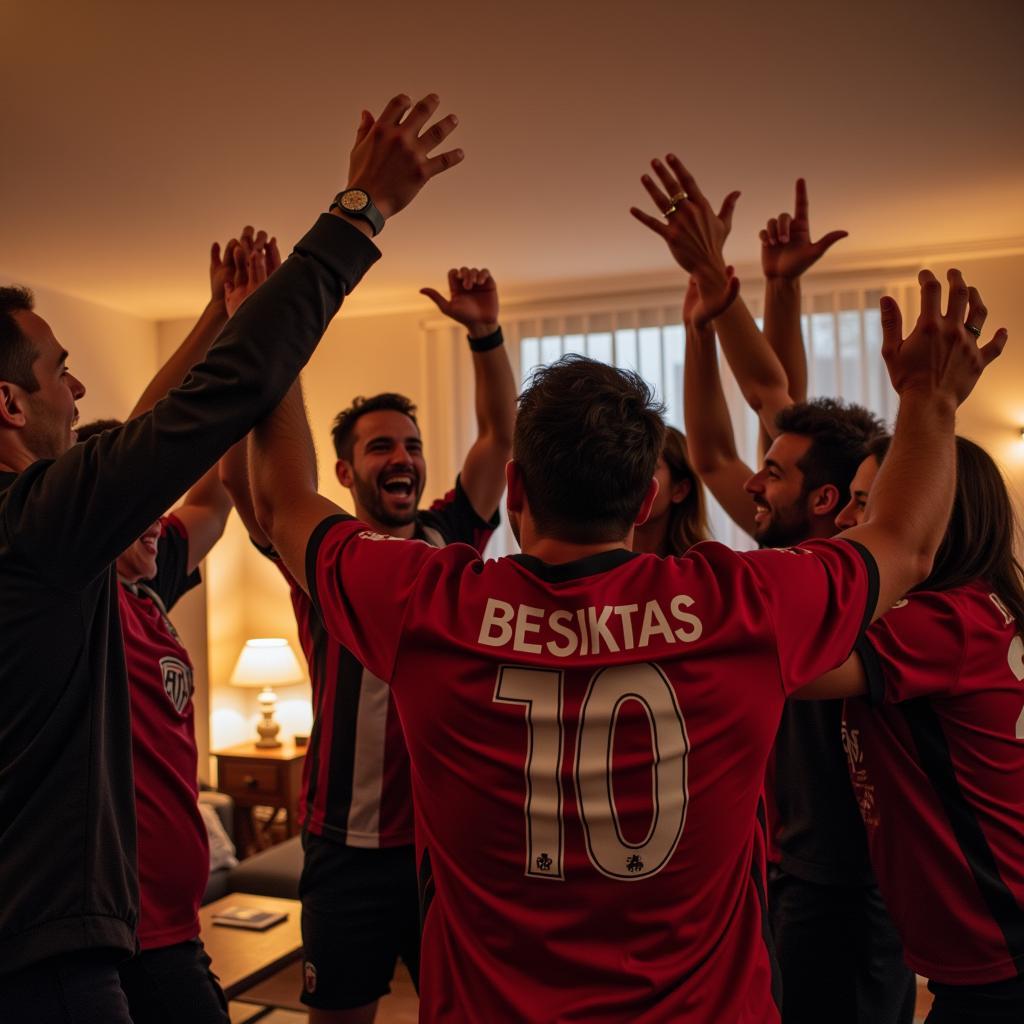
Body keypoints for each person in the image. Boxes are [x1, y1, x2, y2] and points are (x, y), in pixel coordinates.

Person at [246, 154, 1003, 1019]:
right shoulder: (740, 604)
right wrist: (929, 401)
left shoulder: (428, 601)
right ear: (648, 497)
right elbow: (904, 543)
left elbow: (278, 502)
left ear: (519, 493)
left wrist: (284, 298)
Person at [0, 91, 463, 1023]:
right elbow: (197, 415)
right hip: (49, 961)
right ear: (10, 405)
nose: (77, 384)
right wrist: (358, 212)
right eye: (58, 370)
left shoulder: (45, 531)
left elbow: (137, 439)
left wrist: (219, 316)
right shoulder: (34, 528)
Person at [635, 166, 916, 1021]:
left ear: (828, 502)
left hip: (853, 880)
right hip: (786, 866)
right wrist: (732, 310)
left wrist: (727, 292)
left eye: (775, 476)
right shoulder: (782, 555)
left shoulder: (847, 575)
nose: (749, 486)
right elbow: (738, 430)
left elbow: (769, 401)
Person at [221, 264, 515, 1022]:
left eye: (412, 445)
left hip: (439, 847)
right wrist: (253, 330)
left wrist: (485, 334)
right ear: (345, 471)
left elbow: (500, 435)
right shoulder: (323, 555)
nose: (404, 459)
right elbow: (248, 485)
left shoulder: (450, 536)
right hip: (340, 847)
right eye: (382, 447)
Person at [818, 432, 1024, 1023]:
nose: (846, 517)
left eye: (867, 502)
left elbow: (801, 666)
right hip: (982, 950)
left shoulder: (940, 621)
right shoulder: (972, 607)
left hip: (999, 949)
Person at [632, 423, 709, 556]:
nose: (630, 477)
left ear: (680, 490)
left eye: (647, 467)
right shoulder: (593, 562)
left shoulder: (700, 566)